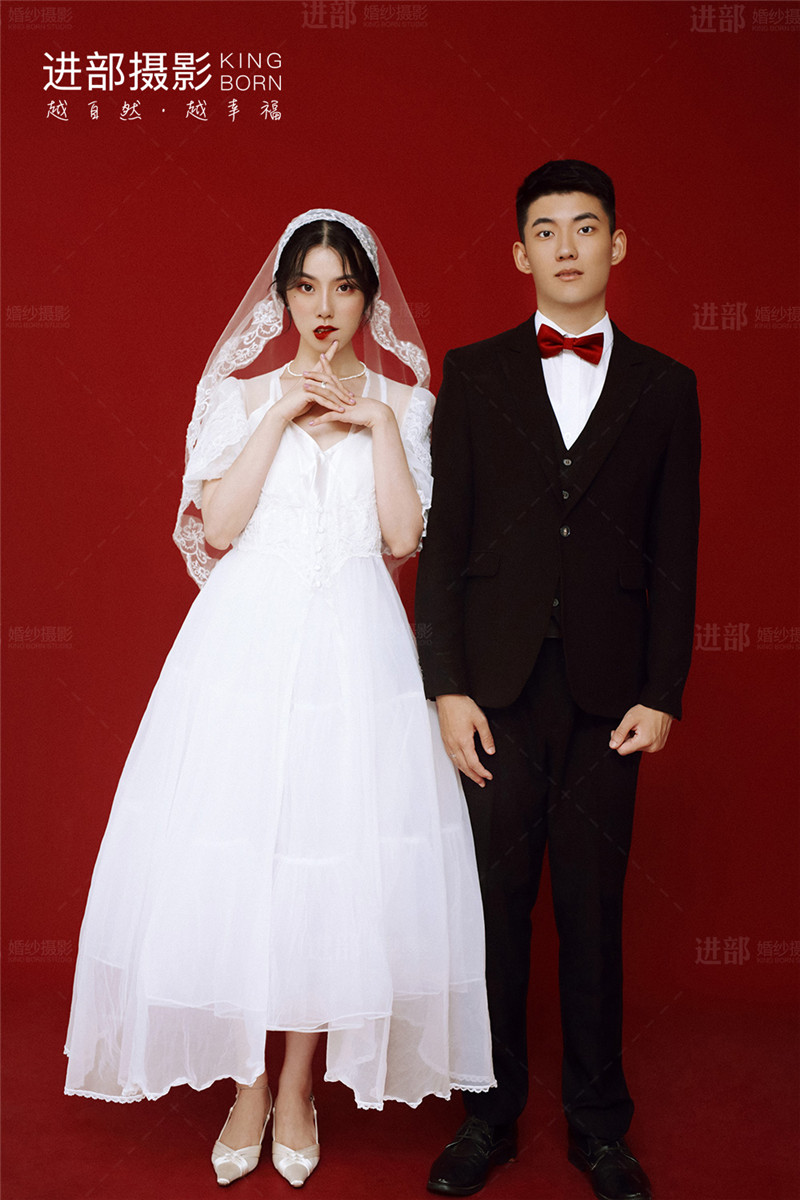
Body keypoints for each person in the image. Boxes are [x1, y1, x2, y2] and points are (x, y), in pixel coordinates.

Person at [64, 209, 494, 1188]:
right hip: (245, 650)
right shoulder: (236, 394)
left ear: (369, 300)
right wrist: (277, 415)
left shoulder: (406, 403)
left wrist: (375, 423)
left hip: (357, 653)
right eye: (306, 286)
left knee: (328, 861)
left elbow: (401, 538)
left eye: (344, 286)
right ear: (282, 298)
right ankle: (245, 1084)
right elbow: (217, 527)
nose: (324, 306)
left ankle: (298, 1083)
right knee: (241, 855)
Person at [415, 161, 701, 1200]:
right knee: (490, 909)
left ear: (616, 245)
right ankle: (485, 1117)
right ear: (519, 253)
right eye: (546, 230)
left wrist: (662, 692)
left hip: (609, 698)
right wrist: (445, 686)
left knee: (592, 911)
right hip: (493, 691)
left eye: (585, 227)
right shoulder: (473, 373)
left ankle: (598, 1128)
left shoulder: (666, 387)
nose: (566, 246)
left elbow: (676, 550)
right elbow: (445, 543)